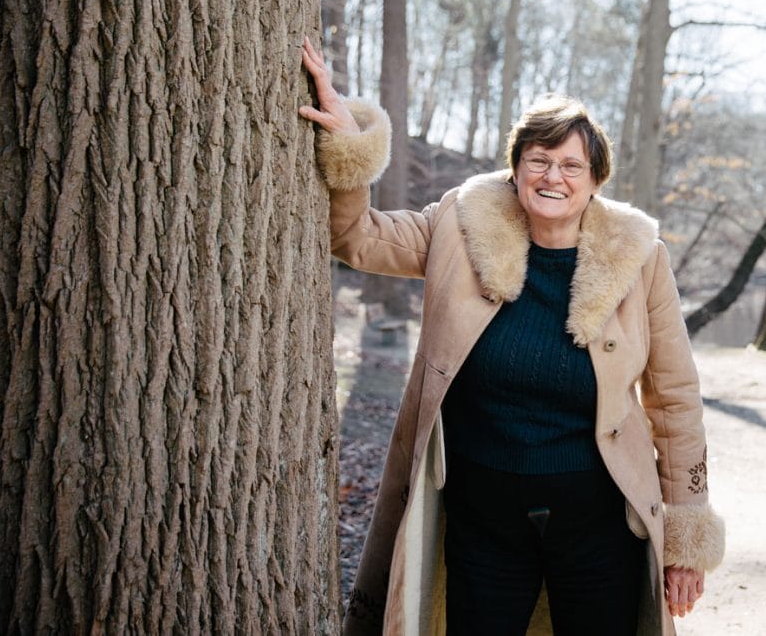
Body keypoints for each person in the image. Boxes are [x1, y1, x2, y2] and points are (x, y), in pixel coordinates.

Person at [299, 37, 724, 635]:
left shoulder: (639, 256)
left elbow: (676, 398)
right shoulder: (461, 221)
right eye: (539, 159)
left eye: (572, 165)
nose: (553, 176)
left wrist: (685, 534)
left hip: (598, 519)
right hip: (482, 518)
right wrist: (350, 141)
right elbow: (358, 239)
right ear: (515, 166)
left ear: (596, 179)